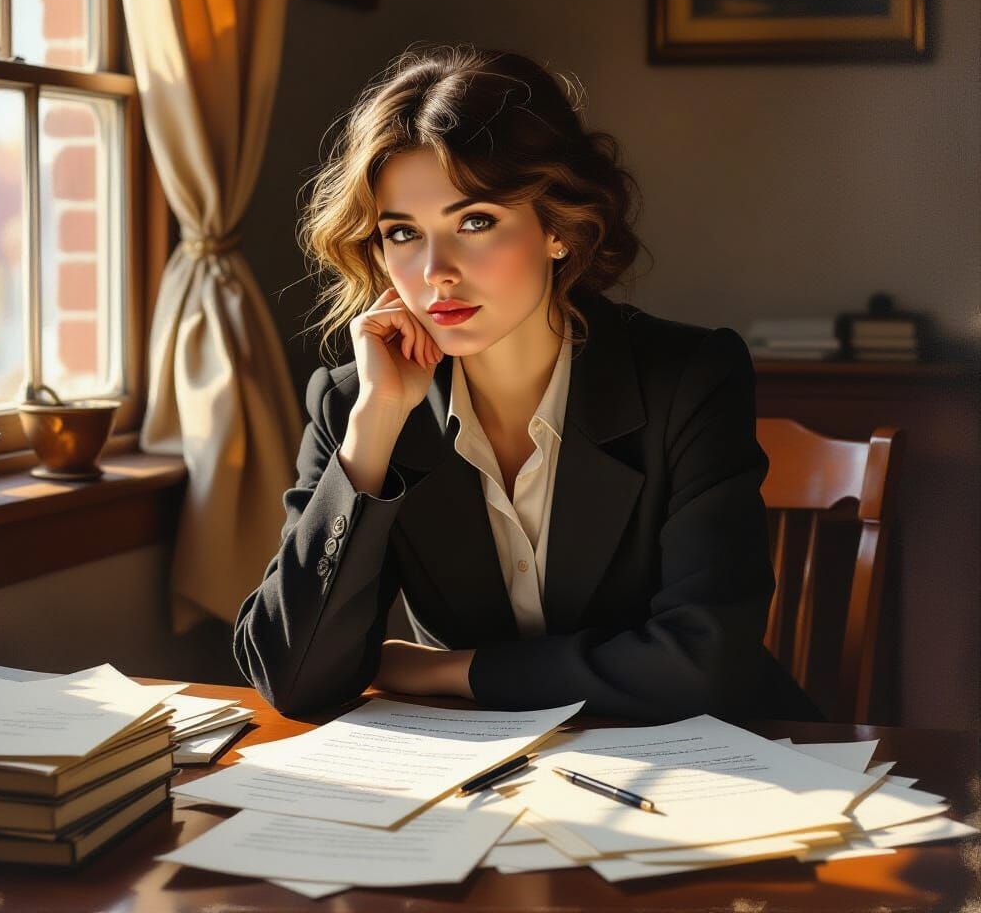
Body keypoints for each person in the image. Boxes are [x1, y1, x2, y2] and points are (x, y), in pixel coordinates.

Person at [233, 42, 824, 723]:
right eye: (402, 233)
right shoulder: (356, 401)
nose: (435, 272)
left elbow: (704, 663)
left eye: (475, 221)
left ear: (560, 229)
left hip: (721, 773)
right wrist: (373, 430)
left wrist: (449, 671)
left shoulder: (687, 380)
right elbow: (293, 677)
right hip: (493, 791)